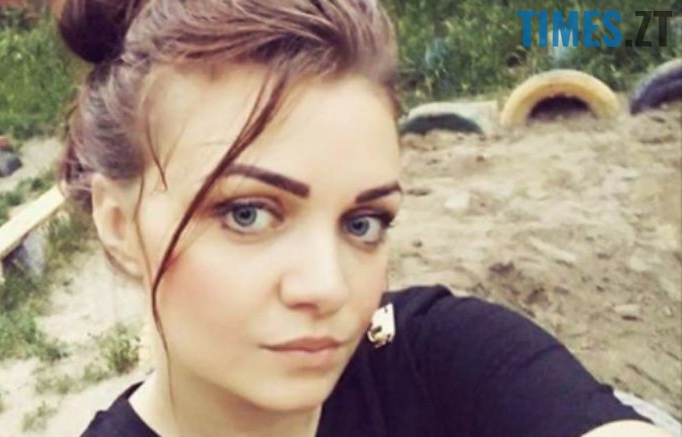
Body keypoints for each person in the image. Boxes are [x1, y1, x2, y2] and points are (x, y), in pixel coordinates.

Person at [56, 1, 673, 436]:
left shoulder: (435, 357)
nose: (329, 288)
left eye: (363, 223)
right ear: (119, 223)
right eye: (247, 213)